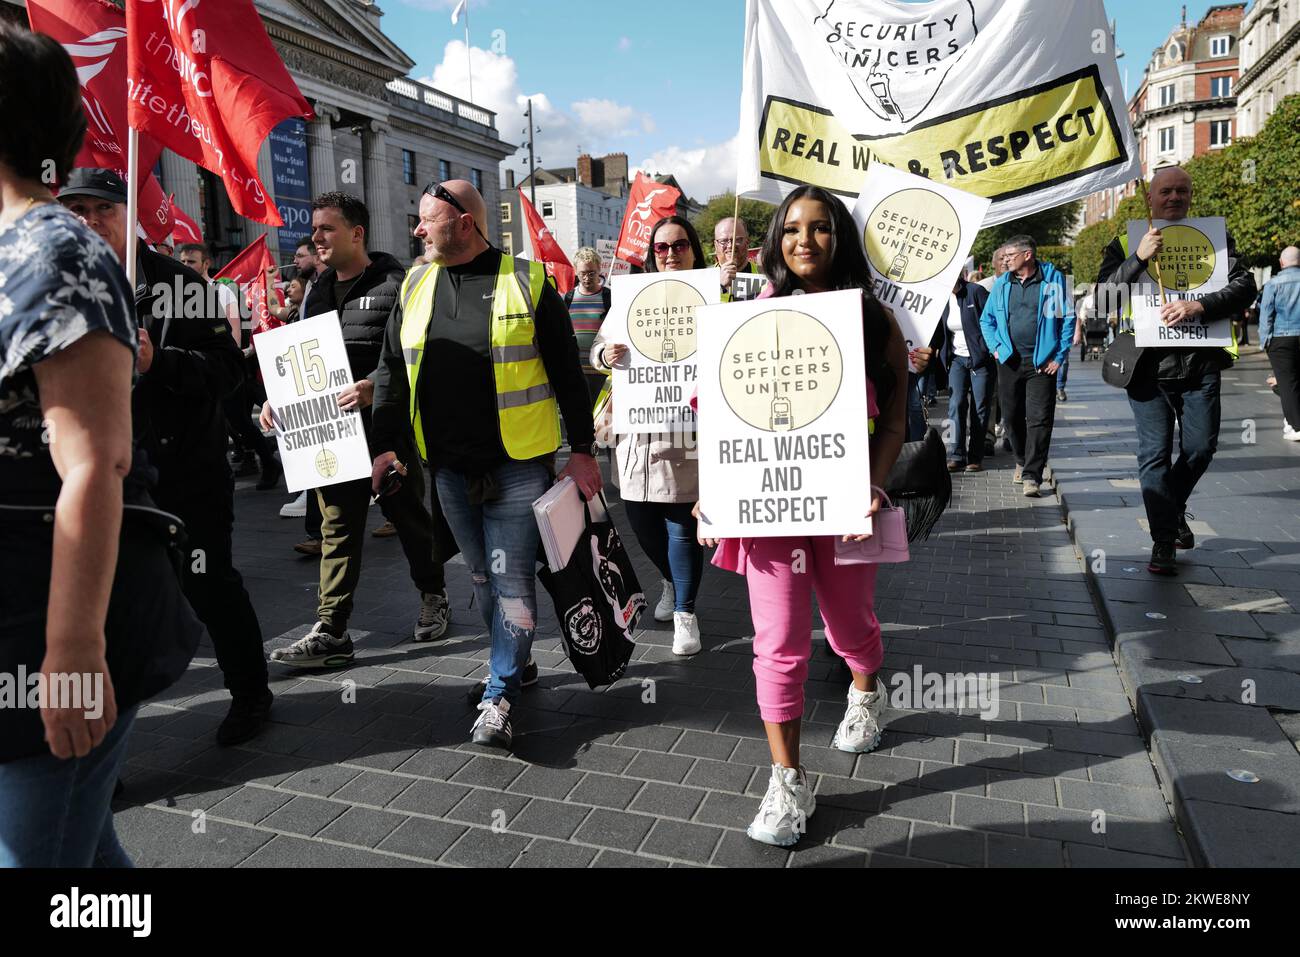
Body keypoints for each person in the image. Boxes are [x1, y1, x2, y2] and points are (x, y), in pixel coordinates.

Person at [0, 23, 202, 865]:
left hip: (49, 618)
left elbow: (94, 461)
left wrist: (73, 651)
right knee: (76, 850)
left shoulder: (57, 250)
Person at [698, 185, 908, 848]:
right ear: (776, 240)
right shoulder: (748, 318)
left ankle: (866, 690)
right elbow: (719, 418)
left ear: (840, 237)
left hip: (844, 506)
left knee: (850, 627)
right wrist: (714, 492)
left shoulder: (875, 320)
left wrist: (874, 485)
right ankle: (788, 779)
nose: (805, 241)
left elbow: (897, 420)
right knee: (779, 644)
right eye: (792, 228)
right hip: (768, 509)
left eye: (820, 228)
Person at [370, 180, 600, 750]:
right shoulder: (416, 282)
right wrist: (385, 446)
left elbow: (568, 373)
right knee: (481, 578)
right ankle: (517, 664)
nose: (417, 230)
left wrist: (583, 451)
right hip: (446, 468)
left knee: (511, 578)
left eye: (428, 220)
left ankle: (498, 692)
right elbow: (391, 370)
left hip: (518, 465)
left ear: (466, 223)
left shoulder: (527, 279)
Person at [59, 169, 275, 747]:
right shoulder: (52, 284)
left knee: (208, 585)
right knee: (102, 604)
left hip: (184, 475)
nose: (86, 220)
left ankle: (251, 693)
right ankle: (103, 743)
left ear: (130, 216)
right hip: (94, 477)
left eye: (101, 208)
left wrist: (162, 362)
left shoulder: (180, 284)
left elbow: (229, 372)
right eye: (74, 208)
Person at [259, 192, 454, 662]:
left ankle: (433, 596)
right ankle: (332, 630)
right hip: (332, 433)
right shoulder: (318, 290)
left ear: (356, 232)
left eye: (326, 228)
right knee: (338, 527)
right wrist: (277, 396)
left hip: (387, 430)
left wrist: (374, 386)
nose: (316, 238)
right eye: (314, 229)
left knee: (409, 517)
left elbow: (419, 353)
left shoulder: (397, 283)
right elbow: (302, 356)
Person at [1097, 165, 1257, 575]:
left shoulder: (1215, 239)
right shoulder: (1123, 242)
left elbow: (1245, 286)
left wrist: (1199, 306)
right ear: (1149, 199)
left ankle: (1173, 507)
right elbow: (1105, 301)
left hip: (1201, 363)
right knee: (1153, 457)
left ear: (1190, 196)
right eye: (1165, 191)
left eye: (1181, 191)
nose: (1174, 198)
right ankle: (1163, 541)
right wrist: (1138, 258)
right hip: (1147, 369)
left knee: (1201, 448)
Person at [592, 216, 709, 656]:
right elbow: (596, 351)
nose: (671, 254)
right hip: (636, 434)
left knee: (681, 526)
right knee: (641, 525)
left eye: (680, 245)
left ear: (694, 250)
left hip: (686, 432)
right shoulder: (629, 300)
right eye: (661, 248)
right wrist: (606, 352)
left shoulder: (709, 297)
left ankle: (686, 612)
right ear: (651, 255)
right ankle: (670, 579)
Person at [177, 241, 283, 491]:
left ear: (206, 264)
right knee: (223, 421)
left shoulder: (220, 292)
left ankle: (269, 463)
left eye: (191, 261)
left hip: (222, 366)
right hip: (196, 366)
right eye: (182, 261)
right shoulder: (179, 291)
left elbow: (233, 331)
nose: (185, 266)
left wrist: (228, 362)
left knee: (239, 421)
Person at [980, 235, 1074, 498]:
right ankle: (1021, 459)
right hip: (1009, 360)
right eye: (1004, 256)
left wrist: (1059, 356)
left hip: (1042, 363)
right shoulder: (1001, 284)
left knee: (1040, 419)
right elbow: (986, 320)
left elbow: (1067, 318)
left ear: (1027, 255)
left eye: (1010, 255)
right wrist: (996, 349)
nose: (1005, 259)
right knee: (1011, 417)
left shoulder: (1052, 281)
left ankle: (1033, 474)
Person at [941, 274, 993, 471]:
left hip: (980, 360)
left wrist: (988, 349)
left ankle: (975, 456)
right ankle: (956, 454)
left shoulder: (976, 292)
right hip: (957, 360)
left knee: (980, 408)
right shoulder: (942, 298)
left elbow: (992, 320)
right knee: (956, 404)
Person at [1261, 246, 1300, 442]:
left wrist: (1265, 341)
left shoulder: (1273, 283)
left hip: (1282, 338)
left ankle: (1296, 426)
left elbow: (1266, 314)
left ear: (1281, 263)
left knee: (1287, 382)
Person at [564, 246, 612, 404]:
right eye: (583, 273)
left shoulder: (610, 297)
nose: (587, 278)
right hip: (576, 374)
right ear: (576, 272)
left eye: (591, 273)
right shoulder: (568, 299)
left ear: (599, 269)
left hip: (604, 373)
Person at [714, 216, 757, 299]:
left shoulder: (764, 276)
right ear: (716, 245)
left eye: (737, 240)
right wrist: (720, 287)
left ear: (747, 242)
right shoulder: (704, 279)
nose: (730, 246)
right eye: (723, 241)